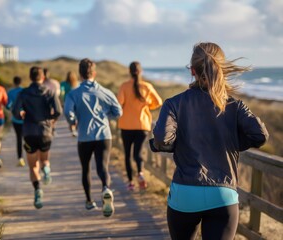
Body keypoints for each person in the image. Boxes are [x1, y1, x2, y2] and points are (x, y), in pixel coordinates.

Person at [150, 42, 269, 240]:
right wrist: (231, 142)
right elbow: (260, 135)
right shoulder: (234, 105)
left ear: (193, 70)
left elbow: (162, 139)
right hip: (223, 194)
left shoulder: (174, 103)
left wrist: (161, 145)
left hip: (185, 193)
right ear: (220, 69)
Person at [64, 58, 122, 217]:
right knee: (103, 167)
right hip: (104, 135)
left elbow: (68, 113)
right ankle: (105, 188)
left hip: (84, 136)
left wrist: (73, 121)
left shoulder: (73, 94)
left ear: (80, 74)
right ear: (94, 73)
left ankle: (89, 201)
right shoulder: (105, 91)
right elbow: (118, 111)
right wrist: (105, 116)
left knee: (86, 169)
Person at [13, 66, 62, 209]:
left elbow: (15, 111)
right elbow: (58, 111)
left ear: (30, 78)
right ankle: (46, 170)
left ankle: (37, 189)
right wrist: (51, 119)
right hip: (46, 131)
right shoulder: (50, 92)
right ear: (42, 77)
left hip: (29, 132)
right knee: (44, 159)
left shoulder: (23, 93)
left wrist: (21, 115)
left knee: (33, 165)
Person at [117, 61, 162, 191]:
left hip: (126, 125)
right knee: (137, 153)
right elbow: (158, 102)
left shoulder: (124, 86)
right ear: (140, 72)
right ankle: (141, 174)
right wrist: (148, 106)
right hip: (142, 125)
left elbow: (119, 103)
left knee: (127, 154)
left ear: (129, 72)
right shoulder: (147, 86)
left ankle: (131, 182)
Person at [6, 76, 25, 167]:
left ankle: (20, 158)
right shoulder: (25, 91)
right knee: (27, 138)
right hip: (26, 119)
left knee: (19, 139)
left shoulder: (10, 92)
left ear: (14, 82)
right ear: (21, 82)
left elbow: (8, 105)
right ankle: (31, 156)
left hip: (16, 119)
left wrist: (13, 109)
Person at [61, 71, 80, 136]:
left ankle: (72, 128)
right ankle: (75, 127)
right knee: (75, 115)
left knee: (69, 114)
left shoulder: (63, 84)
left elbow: (62, 93)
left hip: (67, 101)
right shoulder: (78, 83)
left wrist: (62, 100)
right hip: (77, 101)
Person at [43, 68, 61, 136]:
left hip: (46, 103)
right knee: (53, 116)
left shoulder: (41, 83)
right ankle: (52, 128)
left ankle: (51, 128)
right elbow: (58, 93)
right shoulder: (55, 82)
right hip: (53, 101)